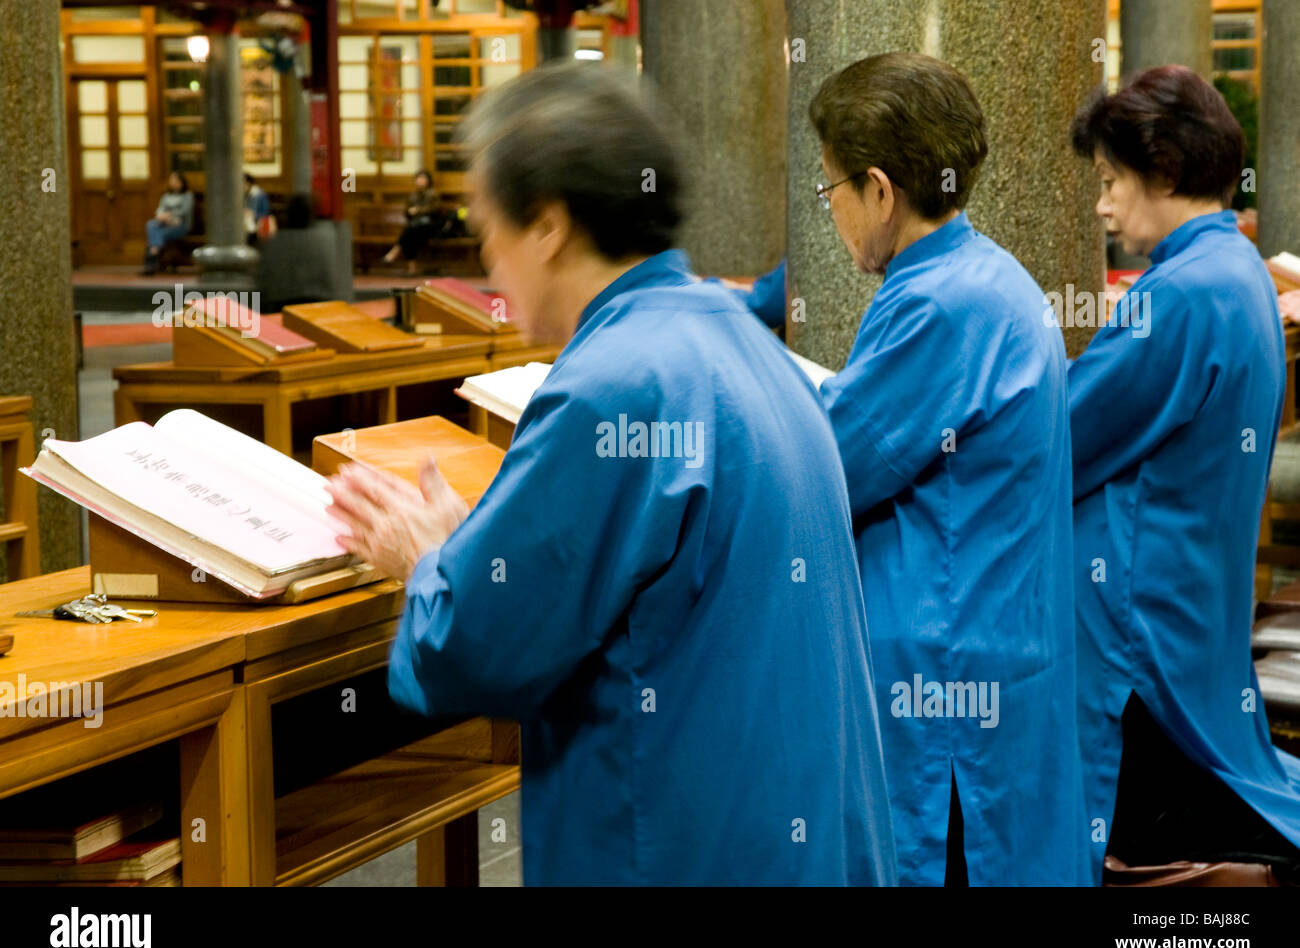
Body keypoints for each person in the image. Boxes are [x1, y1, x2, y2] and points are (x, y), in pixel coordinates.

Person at [325, 63, 896, 886]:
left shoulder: (614, 383)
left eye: (491, 225)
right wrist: (470, 548)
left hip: (685, 844)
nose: (489, 260)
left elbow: (477, 646)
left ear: (548, 225)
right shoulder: (732, 337)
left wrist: (425, 563)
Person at [810, 52, 1089, 885]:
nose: (831, 214)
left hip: (948, 673)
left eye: (830, 192)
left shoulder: (939, 301)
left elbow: (831, 466)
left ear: (881, 191)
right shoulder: (983, 272)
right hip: (987, 649)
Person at [1067, 65, 1300, 882]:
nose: (1100, 204)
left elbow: (1065, 435)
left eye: (1109, 180)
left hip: (1141, 624)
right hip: (1191, 602)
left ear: (1162, 172)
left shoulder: (1178, 293)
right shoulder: (1235, 268)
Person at [383, 169, 445, 273]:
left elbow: (436, 210)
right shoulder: (412, 195)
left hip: (430, 226)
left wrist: (418, 210)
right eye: (418, 178)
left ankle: (397, 252)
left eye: (423, 178)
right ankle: (411, 267)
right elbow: (406, 212)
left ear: (428, 181)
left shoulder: (434, 194)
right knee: (410, 235)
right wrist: (410, 212)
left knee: (409, 232)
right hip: (416, 227)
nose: (420, 181)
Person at [143, 170, 193, 274]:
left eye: (175, 180)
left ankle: (151, 262)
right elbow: (160, 210)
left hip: (180, 225)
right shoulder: (166, 196)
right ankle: (155, 252)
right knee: (151, 224)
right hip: (165, 224)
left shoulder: (187, 196)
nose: (173, 182)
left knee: (158, 233)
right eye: (171, 180)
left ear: (181, 181)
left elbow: (184, 211)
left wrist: (169, 215)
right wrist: (162, 216)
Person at [244, 172, 271, 245]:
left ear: (248, 183)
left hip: (258, 226)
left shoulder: (258, 194)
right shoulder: (244, 195)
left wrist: (250, 214)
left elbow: (264, 213)